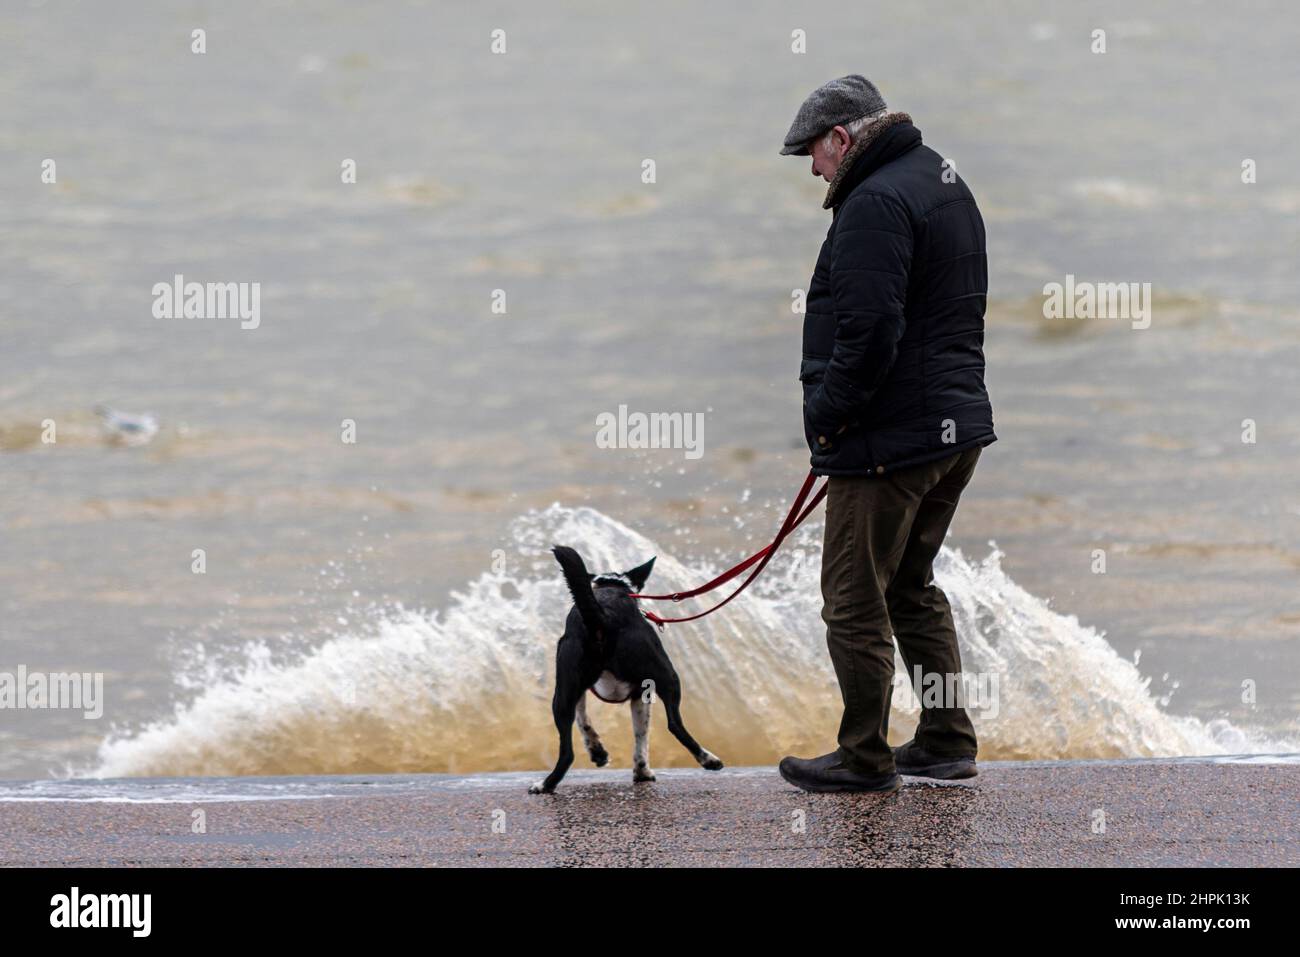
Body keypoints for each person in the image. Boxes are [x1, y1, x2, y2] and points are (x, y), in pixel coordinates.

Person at [776, 75, 997, 793]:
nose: (814, 169)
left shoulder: (873, 202)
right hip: (954, 429)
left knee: (851, 596)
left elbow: (871, 333)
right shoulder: (943, 178)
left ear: (842, 137)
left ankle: (863, 757)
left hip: (891, 440)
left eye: (813, 151)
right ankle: (944, 739)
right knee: (910, 583)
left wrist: (830, 416)